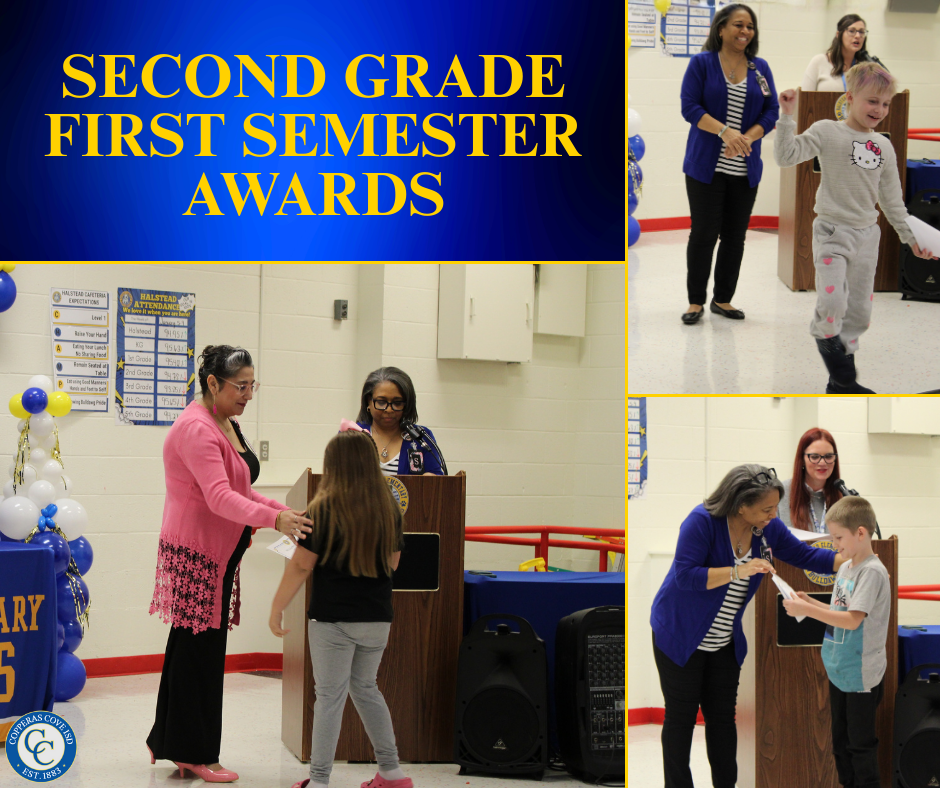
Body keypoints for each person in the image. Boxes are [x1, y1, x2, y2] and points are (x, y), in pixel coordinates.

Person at [147, 345, 313, 784]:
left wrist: (283, 512)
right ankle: (193, 751)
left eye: (252, 385)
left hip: (217, 553)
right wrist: (275, 519)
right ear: (213, 383)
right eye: (240, 386)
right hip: (198, 552)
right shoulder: (197, 429)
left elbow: (240, 486)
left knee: (192, 650)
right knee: (198, 654)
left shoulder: (225, 422)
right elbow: (219, 498)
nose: (248, 394)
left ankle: (172, 742)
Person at [650, 464, 844, 788]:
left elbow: (802, 555)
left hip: (724, 640)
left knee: (723, 720)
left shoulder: (767, 529)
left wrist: (848, 560)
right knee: (681, 720)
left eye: (774, 508)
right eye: (767, 509)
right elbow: (685, 577)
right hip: (679, 635)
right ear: (741, 504)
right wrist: (738, 571)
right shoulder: (702, 522)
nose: (773, 515)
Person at [775, 62, 937, 394]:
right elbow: (786, 155)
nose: (880, 110)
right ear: (850, 98)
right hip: (833, 233)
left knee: (859, 314)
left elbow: (893, 204)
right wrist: (786, 116)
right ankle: (839, 365)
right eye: (872, 101)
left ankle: (839, 384)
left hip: (867, 238)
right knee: (832, 305)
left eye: (886, 103)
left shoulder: (885, 147)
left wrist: (912, 239)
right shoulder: (827, 131)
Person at [269, 428, 413, 788]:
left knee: (330, 698)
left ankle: (319, 781)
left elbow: (301, 565)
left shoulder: (323, 509)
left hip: (332, 620)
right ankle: (392, 773)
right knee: (366, 688)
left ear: (334, 466)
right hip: (377, 619)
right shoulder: (389, 508)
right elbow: (393, 563)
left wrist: (277, 607)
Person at [679, 3, 779, 325]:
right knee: (704, 234)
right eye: (738, 25)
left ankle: (723, 299)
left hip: (744, 169)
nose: (745, 31)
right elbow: (689, 107)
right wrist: (725, 132)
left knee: (735, 237)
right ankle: (696, 302)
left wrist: (748, 137)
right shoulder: (702, 63)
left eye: (750, 27)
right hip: (706, 167)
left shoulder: (759, 68)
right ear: (721, 29)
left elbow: (771, 110)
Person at [783, 496, 890, 788]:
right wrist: (810, 601)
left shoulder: (871, 571)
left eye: (838, 537)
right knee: (840, 744)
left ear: (861, 533)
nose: (834, 545)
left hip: (861, 674)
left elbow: (853, 620)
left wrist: (808, 611)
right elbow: (840, 611)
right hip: (840, 667)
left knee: (860, 746)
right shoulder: (846, 568)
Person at [355, 366, 443, 476]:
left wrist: (430, 479)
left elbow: (437, 478)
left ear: (407, 405)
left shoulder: (420, 437)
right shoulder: (353, 434)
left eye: (397, 403)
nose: (389, 409)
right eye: (381, 402)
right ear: (369, 401)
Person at [777, 428, 843, 532]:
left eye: (829, 456)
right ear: (802, 460)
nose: (822, 462)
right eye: (815, 457)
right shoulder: (781, 493)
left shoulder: (843, 497)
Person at [800, 15, 888, 93]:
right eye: (852, 31)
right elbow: (804, 99)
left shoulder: (867, 67)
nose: (857, 36)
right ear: (838, 34)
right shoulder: (819, 62)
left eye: (861, 32)